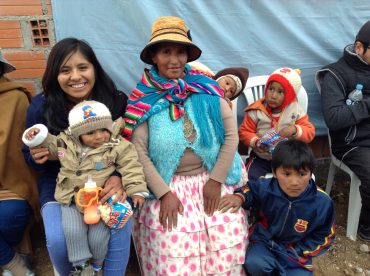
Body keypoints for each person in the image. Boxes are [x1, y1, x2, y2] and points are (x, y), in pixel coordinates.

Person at [124, 16, 248, 275]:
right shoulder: (144, 98)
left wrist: (215, 181)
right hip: (168, 184)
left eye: (180, 52)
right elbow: (138, 152)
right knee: (173, 241)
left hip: (212, 177)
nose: (174, 60)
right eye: (166, 52)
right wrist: (164, 194)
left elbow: (231, 137)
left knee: (227, 231)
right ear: (154, 57)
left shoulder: (206, 89)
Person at [22, 38, 132, 276]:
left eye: (82, 67)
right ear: (54, 74)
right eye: (65, 70)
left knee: (117, 227)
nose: (75, 76)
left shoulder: (116, 101)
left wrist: (118, 177)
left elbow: (129, 149)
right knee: (59, 241)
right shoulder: (42, 107)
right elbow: (28, 155)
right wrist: (35, 157)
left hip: (106, 178)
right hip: (60, 183)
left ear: (94, 68)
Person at [23, 100, 148, 274]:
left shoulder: (117, 145)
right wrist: (36, 137)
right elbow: (50, 147)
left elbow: (131, 166)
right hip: (71, 198)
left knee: (98, 237)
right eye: (90, 132)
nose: (99, 136)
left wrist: (136, 190)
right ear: (77, 134)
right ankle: (82, 267)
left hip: (99, 201)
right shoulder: (65, 144)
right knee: (73, 232)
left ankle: (97, 265)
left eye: (104, 130)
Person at [219, 140, 336, 275]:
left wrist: (303, 250)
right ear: (274, 172)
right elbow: (250, 188)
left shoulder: (322, 203)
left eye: (302, 174)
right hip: (264, 242)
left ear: (311, 174)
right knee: (254, 263)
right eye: (286, 174)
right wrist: (240, 197)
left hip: (294, 252)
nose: (294, 182)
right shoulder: (266, 187)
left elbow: (326, 233)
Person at [316, 19, 370, 242]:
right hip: (353, 143)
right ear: (359, 47)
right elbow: (334, 118)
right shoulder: (336, 74)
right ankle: (366, 228)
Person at [239, 67, 315, 181]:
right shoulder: (256, 110)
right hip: (261, 158)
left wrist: (295, 130)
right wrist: (256, 142)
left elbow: (310, 132)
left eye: (280, 92)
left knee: (298, 180)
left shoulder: (295, 111)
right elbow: (244, 131)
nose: (273, 95)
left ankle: (286, 198)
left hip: (289, 160)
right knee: (250, 178)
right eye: (271, 89)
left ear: (289, 96)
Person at [0, 50, 38, 276]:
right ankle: (13, 262)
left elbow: (20, 151)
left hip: (11, 182)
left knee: (10, 215)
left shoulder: (15, 98)